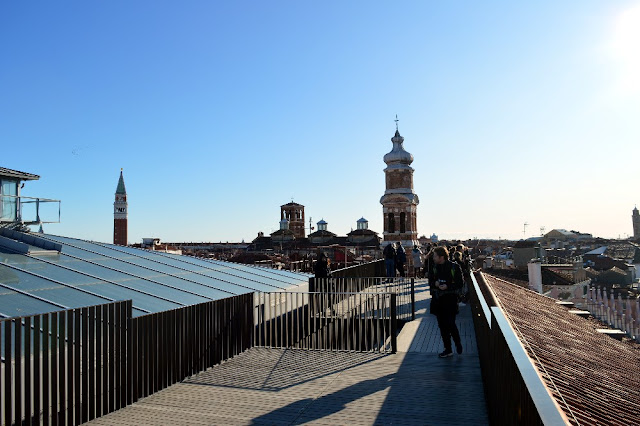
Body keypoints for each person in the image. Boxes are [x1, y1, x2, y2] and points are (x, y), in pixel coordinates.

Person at [429, 246, 464, 358]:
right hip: (438, 301)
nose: (433, 258)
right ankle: (448, 349)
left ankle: (457, 343)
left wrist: (447, 286)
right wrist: (436, 284)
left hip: (450, 301)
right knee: (442, 326)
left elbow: (460, 283)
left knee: (451, 324)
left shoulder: (454, 267)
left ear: (441, 257)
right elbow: (430, 281)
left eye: (435, 256)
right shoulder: (434, 267)